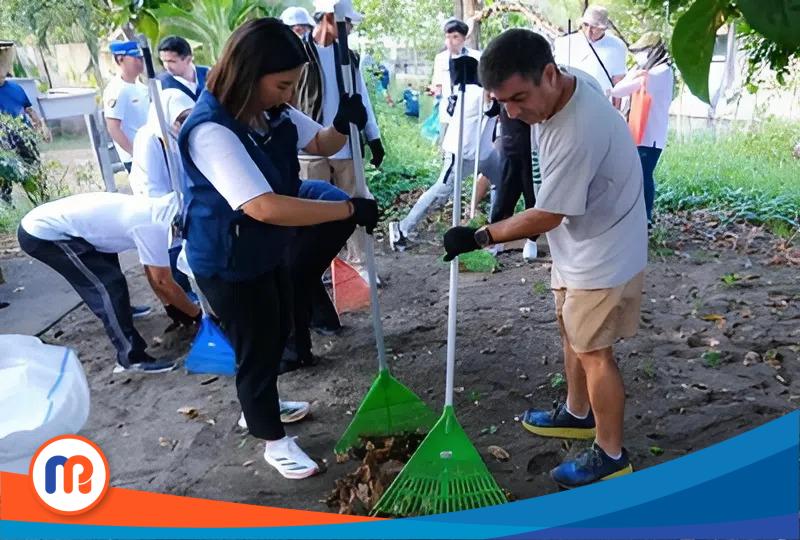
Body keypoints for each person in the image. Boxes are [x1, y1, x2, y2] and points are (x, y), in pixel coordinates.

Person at [442, 29, 646, 489]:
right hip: (578, 242)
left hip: (605, 249)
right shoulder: (558, 89)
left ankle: (612, 454)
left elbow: (547, 215)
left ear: (550, 75)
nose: (511, 112)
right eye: (500, 101)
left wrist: (480, 235)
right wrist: (474, 76)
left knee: (594, 351)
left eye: (517, 98)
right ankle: (576, 413)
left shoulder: (579, 129)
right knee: (570, 331)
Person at [177, 18, 378, 479]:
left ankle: (262, 405)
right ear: (249, 74)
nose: (289, 93)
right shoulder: (211, 129)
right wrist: (347, 211)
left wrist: (345, 122)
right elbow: (263, 206)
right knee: (257, 345)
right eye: (283, 84)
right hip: (227, 259)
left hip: (263, 250)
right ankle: (272, 440)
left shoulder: (274, 112)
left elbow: (322, 143)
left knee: (276, 330)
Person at [17, 191, 200, 373]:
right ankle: (130, 358)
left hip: (86, 232)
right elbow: (161, 281)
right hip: (43, 235)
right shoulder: (152, 226)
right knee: (108, 286)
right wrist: (197, 315)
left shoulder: (160, 210)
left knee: (110, 279)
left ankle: (120, 311)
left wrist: (173, 307)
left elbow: (153, 272)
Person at [294, 0, 384, 283]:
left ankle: (360, 266)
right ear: (330, 18)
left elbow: (362, 98)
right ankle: (318, 268)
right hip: (310, 149)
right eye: (348, 23)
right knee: (314, 211)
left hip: (347, 147)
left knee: (358, 204)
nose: (351, 29)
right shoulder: (298, 53)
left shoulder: (350, 57)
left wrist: (373, 136)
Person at [388, 20, 492, 252]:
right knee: (441, 188)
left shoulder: (477, 65)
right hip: (458, 141)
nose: (451, 41)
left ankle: (486, 233)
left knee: (458, 187)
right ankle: (402, 227)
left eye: (455, 36)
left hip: (476, 145)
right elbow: (448, 93)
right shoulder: (463, 83)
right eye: (448, 37)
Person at [129, 88, 197, 297]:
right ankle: (183, 299)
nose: (183, 124)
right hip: (157, 202)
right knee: (168, 250)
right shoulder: (149, 138)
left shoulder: (182, 136)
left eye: (187, 117)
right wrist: (174, 210)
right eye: (180, 120)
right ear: (166, 116)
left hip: (178, 199)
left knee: (182, 247)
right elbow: (151, 185)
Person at [608, 32, 674, 225]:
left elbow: (624, 88)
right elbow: (621, 87)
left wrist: (629, 77)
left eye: (642, 51)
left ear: (653, 51)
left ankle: (645, 218)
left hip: (650, 135)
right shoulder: (644, 70)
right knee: (637, 175)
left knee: (644, 176)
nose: (639, 55)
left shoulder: (661, 71)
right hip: (639, 133)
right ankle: (638, 217)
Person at [553, 5, 627, 108]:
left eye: (594, 27)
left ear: (603, 28)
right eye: (586, 25)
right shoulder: (566, 42)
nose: (588, 31)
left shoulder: (616, 46)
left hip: (598, 104)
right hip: (568, 102)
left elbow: (618, 82)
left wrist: (616, 111)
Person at [103, 41, 150, 173]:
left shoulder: (141, 86)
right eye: (135, 57)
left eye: (140, 57)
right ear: (120, 59)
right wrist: (135, 153)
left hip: (151, 152)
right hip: (135, 158)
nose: (140, 61)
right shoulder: (116, 90)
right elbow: (113, 128)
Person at [157, 36, 210, 101]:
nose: (167, 66)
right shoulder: (160, 84)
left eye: (172, 61)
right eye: (164, 61)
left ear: (188, 59)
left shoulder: (210, 75)